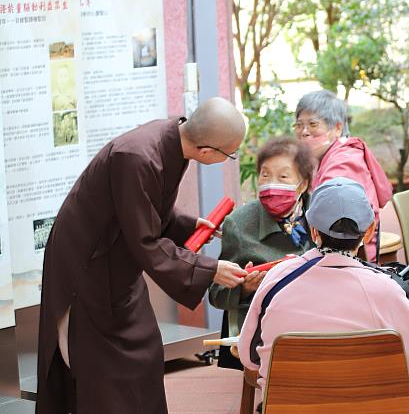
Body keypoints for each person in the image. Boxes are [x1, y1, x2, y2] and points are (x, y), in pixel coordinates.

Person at [36, 97, 250, 414]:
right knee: (105, 371)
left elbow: (145, 207)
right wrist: (209, 269)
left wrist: (188, 225)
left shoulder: (171, 138)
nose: (228, 158)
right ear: (207, 151)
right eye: (230, 154)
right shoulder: (136, 156)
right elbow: (146, 240)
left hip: (120, 260)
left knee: (145, 353)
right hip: (89, 266)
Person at [238, 177, 409, 413]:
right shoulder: (386, 289)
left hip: (289, 407)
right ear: (370, 230)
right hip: (367, 408)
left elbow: (249, 358)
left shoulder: (277, 280)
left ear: (312, 230)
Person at [208, 136, 315, 369]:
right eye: (265, 175)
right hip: (266, 323)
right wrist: (245, 288)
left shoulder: (319, 216)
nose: (271, 183)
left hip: (316, 313)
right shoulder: (239, 223)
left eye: (283, 176)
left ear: (303, 184)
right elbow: (216, 294)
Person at [293, 90, 392, 262]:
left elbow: (332, 222)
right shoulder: (328, 156)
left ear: (337, 128)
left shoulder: (343, 163)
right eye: (299, 125)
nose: (304, 132)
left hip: (347, 257)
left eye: (313, 124)